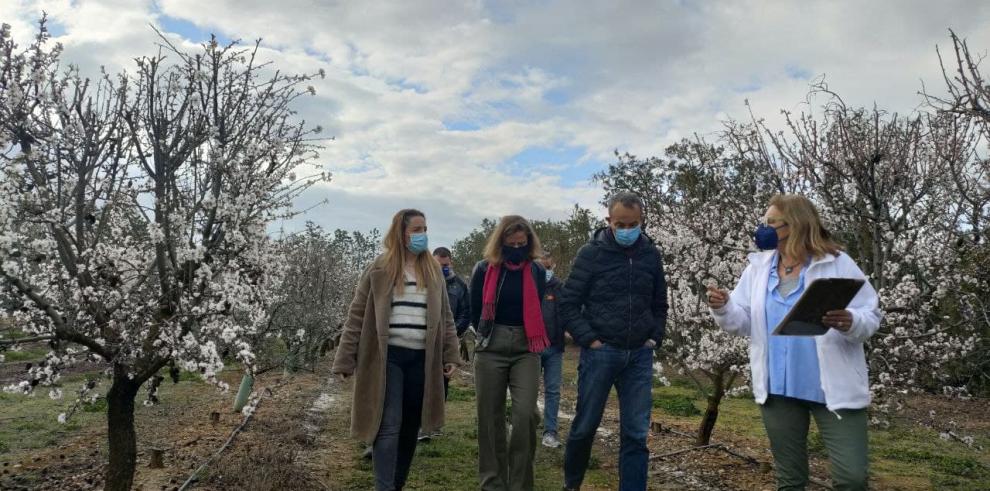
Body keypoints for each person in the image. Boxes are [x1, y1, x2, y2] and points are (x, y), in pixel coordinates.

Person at [707, 194, 881, 491]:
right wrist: (723, 307)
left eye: (772, 223)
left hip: (831, 389)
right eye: (765, 222)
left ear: (797, 225)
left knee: (851, 478)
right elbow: (743, 322)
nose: (764, 229)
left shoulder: (837, 264)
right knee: (789, 480)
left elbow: (871, 316)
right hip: (779, 388)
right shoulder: (759, 268)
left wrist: (850, 321)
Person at [331, 209, 462, 491]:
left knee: (409, 429)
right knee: (388, 425)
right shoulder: (380, 268)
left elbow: (446, 318)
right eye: (416, 229)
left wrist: (451, 354)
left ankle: (395, 485)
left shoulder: (433, 271)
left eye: (425, 228)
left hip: (422, 361)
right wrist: (345, 359)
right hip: (387, 358)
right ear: (401, 233)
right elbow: (356, 314)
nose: (422, 234)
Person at [560, 191, 668, 491]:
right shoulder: (590, 254)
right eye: (620, 224)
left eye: (632, 224)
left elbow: (660, 303)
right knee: (584, 427)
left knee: (635, 433)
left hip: (639, 356)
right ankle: (571, 485)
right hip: (601, 353)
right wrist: (589, 339)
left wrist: (654, 337)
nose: (626, 230)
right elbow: (567, 303)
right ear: (609, 220)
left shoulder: (651, 254)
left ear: (641, 220)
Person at [470, 215, 550, 491]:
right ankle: (493, 483)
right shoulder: (483, 269)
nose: (517, 246)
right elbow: (473, 310)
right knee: (489, 418)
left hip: (526, 349)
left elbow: (538, 307)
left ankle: (521, 484)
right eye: (511, 241)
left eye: (522, 241)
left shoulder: (537, 271)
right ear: (500, 240)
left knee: (526, 415)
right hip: (491, 346)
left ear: (529, 242)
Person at [536, 251, 565, 449]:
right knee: (526, 390)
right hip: (532, 347)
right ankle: (525, 425)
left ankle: (550, 431)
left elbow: (567, 312)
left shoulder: (559, 287)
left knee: (553, 391)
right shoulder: (529, 287)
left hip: (554, 347)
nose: (545, 271)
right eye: (541, 267)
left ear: (552, 265)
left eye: (548, 267)